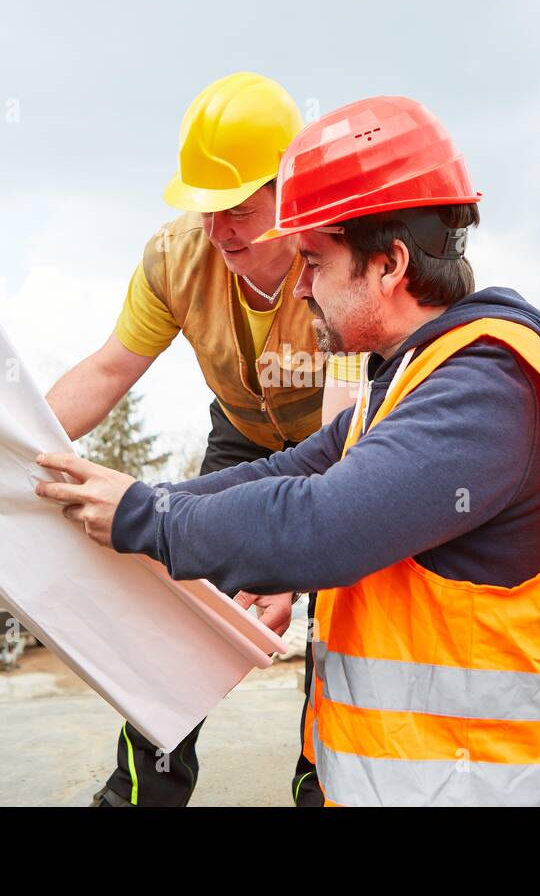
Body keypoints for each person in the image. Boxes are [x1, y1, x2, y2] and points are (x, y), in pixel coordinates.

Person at [36, 95, 540, 806]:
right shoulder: (412, 380)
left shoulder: (483, 387)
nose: (300, 288)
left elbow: (321, 522)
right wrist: (119, 500)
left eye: (316, 262)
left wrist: (146, 517)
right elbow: (290, 467)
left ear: (389, 264)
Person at [44, 71, 357, 807]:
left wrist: (288, 568)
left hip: (337, 449)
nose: (219, 232)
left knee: (342, 605)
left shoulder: (337, 257)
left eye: (239, 210)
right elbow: (107, 369)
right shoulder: (174, 259)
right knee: (178, 597)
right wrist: (15, 440)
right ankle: (141, 793)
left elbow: (346, 432)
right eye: (205, 211)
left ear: (292, 191)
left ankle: (324, 786)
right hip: (243, 441)